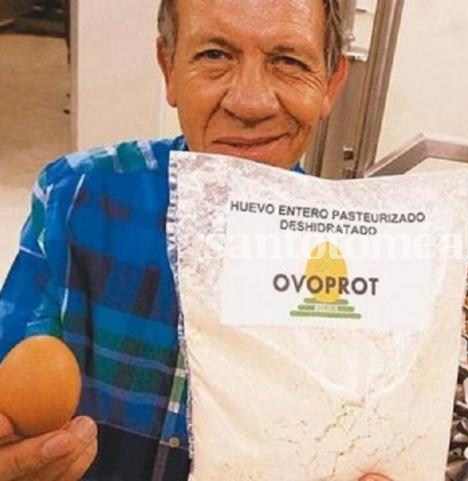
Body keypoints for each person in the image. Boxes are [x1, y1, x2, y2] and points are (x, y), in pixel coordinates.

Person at [0, 1, 392, 480]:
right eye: (214, 55)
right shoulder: (78, 195)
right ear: (169, 69)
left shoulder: (361, 266)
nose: (250, 103)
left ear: (330, 83)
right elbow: (17, 374)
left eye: (288, 61)